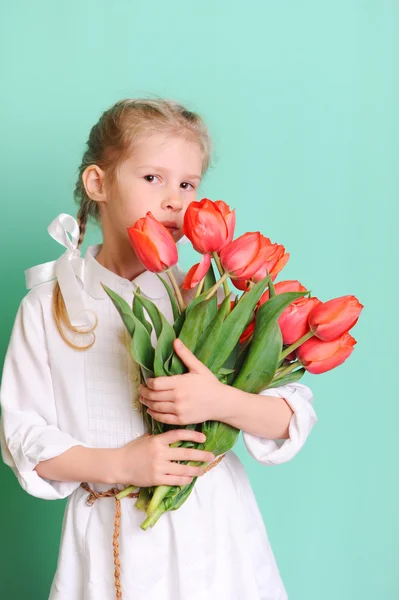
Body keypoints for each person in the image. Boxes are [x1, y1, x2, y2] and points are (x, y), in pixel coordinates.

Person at [0, 98, 318, 600]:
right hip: (112, 528)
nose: (175, 200)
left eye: (188, 184)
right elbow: (23, 440)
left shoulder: (207, 299)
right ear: (98, 184)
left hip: (215, 530)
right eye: (153, 178)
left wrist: (220, 402)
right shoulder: (49, 305)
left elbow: (289, 417)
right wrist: (123, 465)